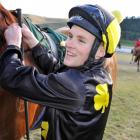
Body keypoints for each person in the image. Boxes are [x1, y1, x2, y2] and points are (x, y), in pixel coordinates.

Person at [0, 4, 121, 140]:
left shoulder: (74, 87)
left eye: (81, 40)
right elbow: (58, 71)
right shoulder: (98, 74)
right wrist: (34, 43)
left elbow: (13, 78)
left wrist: (13, 44)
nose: (69, 44)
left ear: (101, 50)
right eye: (70, 36)